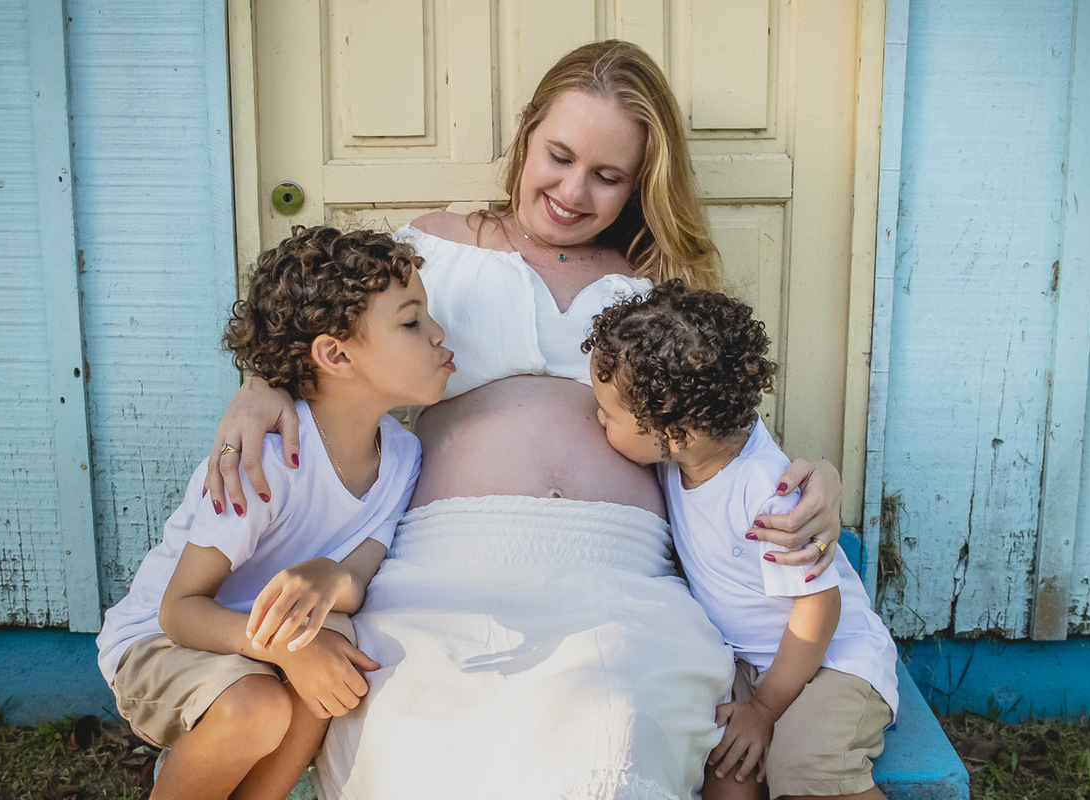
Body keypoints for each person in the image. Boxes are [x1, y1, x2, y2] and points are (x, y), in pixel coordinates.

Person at [206, 41, 846, 799]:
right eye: (559, 155)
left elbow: (722, 425)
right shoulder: (431, 248)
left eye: (608, 177)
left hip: (622, 571)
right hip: (445, 559)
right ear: (527, 132)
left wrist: (820, 478)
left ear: (642, 182)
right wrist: (258, 384)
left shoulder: (659, 280)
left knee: (615, 722)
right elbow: (314, 324)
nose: (574, 191)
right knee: (420, 717)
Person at [95, 227, 455, 800]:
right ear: (335, 354)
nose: (439, 333)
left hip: (262, 643)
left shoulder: (403, 455)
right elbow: (178, 611)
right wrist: (288, 648)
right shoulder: (267, 462)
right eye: (411, 322)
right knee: (258, 704)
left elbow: (358, 578)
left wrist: (329, 577)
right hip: (162, 643)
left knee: (335, 646)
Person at [582, 281, 898, 800]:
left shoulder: (765, 497)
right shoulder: (696, 449)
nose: (598, 419)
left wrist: (767, 709)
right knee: (726, 777)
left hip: (832, 663)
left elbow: (819, 607)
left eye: (610, 415)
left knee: (806, 769)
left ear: (675, 433)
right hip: (753, 665)